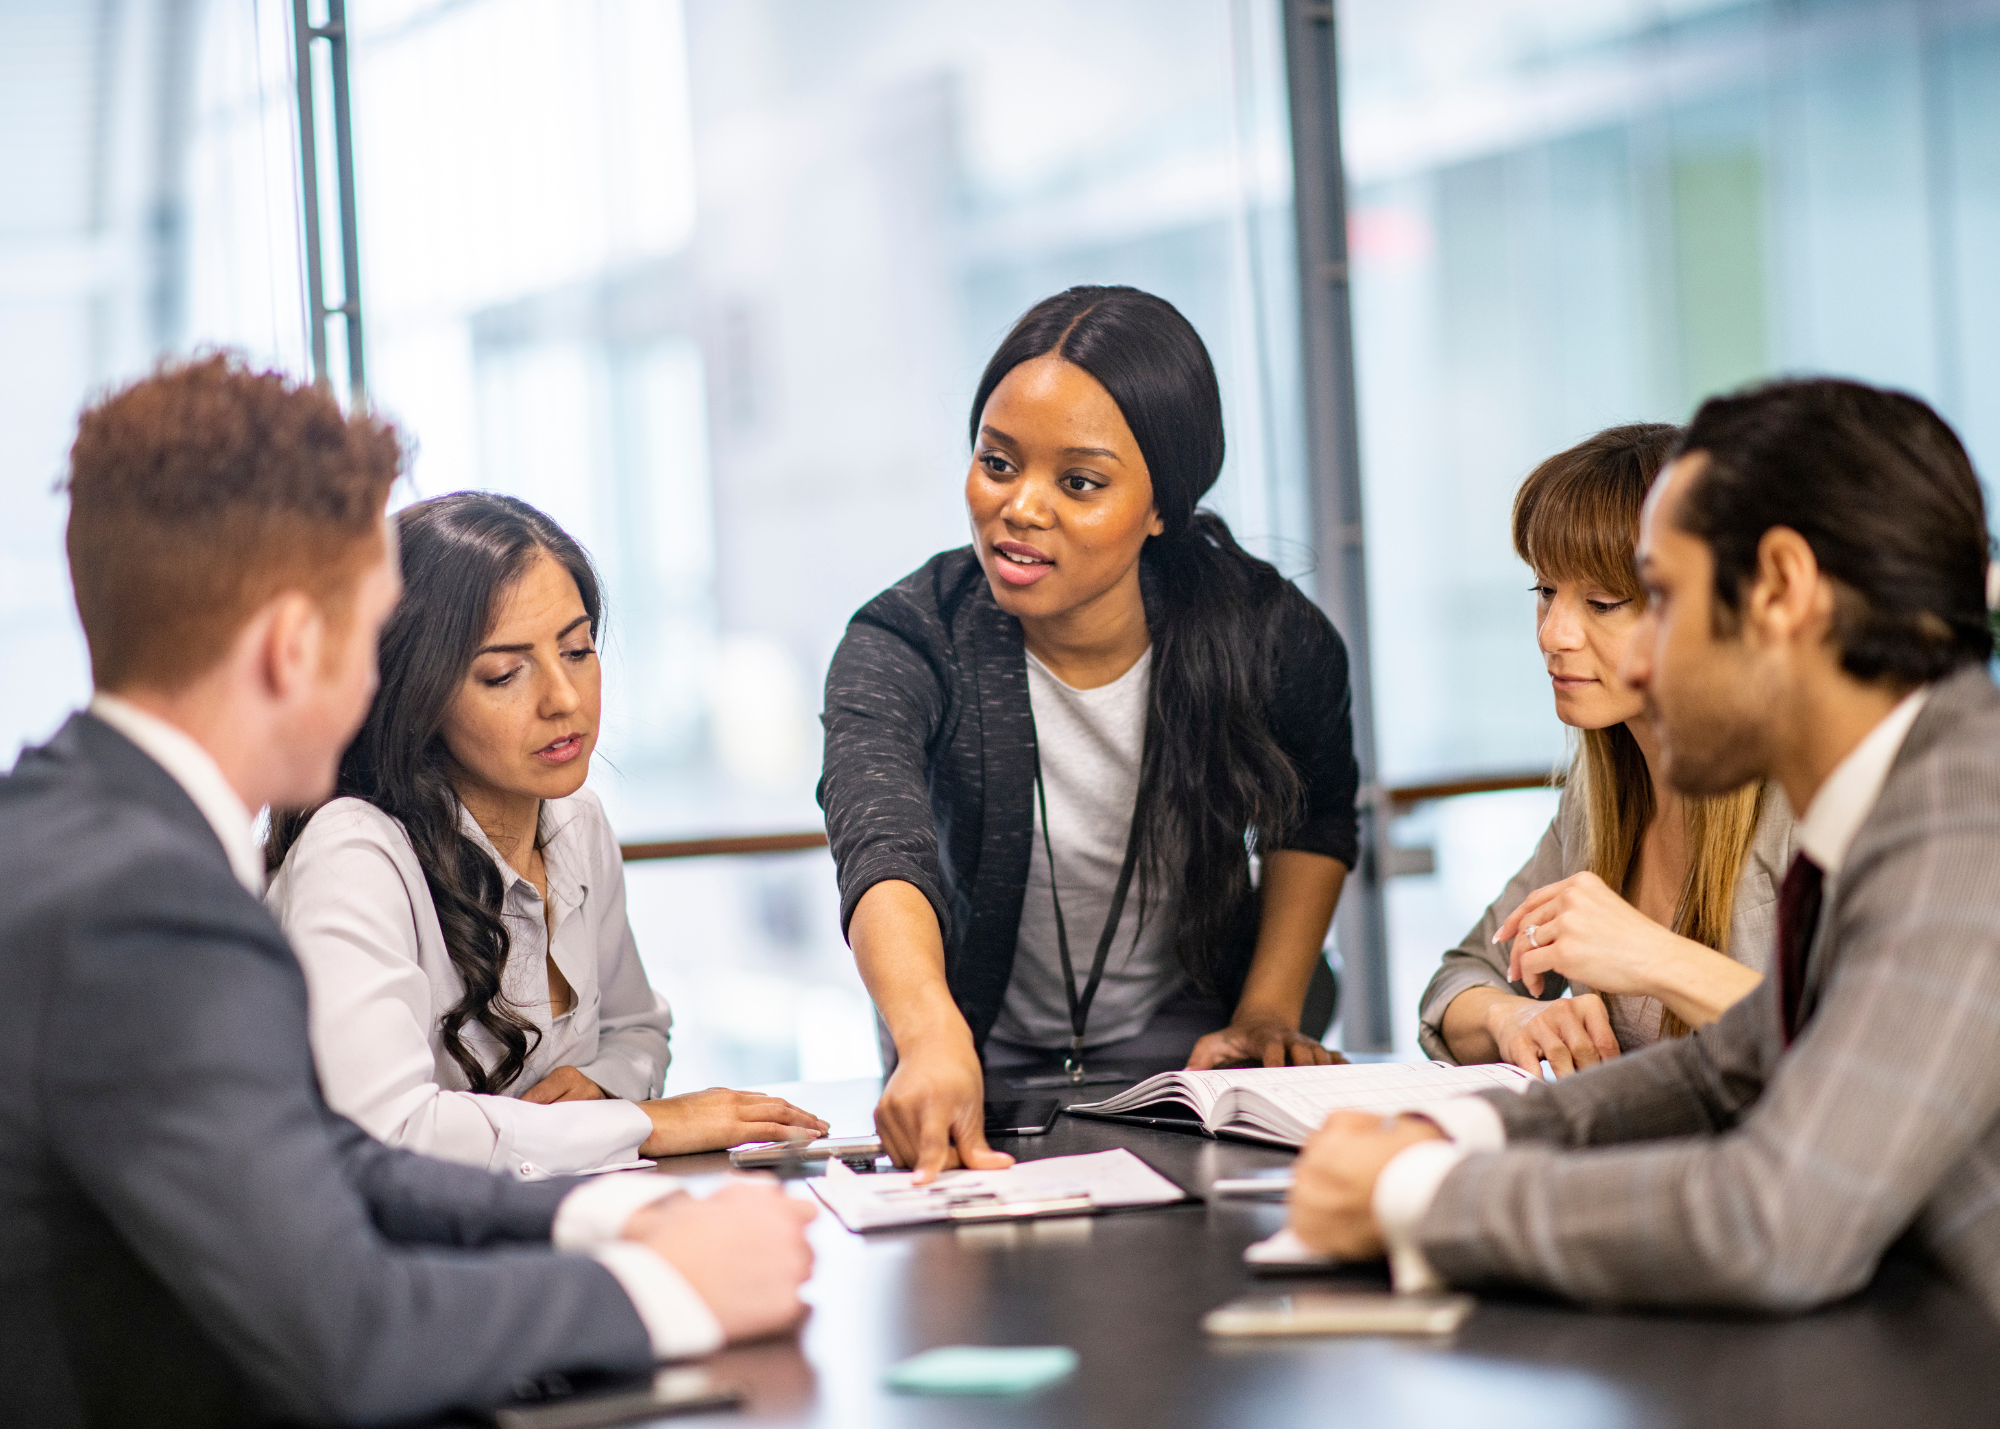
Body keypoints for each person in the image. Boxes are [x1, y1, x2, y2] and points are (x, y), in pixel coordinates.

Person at [0, 355, 815, 1426]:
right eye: (372, 629)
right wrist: (666, 1290)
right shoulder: (145, 905)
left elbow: (331, 1154)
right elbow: (350, 1334)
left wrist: (601, 1220)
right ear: (296, 646)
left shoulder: (77, 822)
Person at [1288, 377, 2000, 1319]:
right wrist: (1453, 1131)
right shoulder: (1897, 793)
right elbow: (1721, 1070)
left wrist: (1413, 1196)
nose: (1627, 660)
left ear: (1782, 589)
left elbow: (1775, 1221)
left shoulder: (1964, 824)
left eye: (1654, 597)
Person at [820, 285, 1362, 1180]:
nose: (1022, 508)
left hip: (1193, 1042)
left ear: (1162, 506)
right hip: (970, 1041)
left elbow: (1319, 815)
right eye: (999, 463)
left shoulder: (1268, 633)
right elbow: (882, 843)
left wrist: (1268, 1008)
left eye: (1079, 482)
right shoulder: (908, 639)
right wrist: (927, 1033)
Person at [265, 493, 826, 1176]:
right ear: (418, 692)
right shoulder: (354, 851)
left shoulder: (576, 820)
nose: (564, 697)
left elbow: (636, 1030)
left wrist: (602, 1091)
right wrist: (642, 1123)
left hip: (550, 1226)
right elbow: (387, 1129)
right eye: (504, 672)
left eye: (577, 648)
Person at [1418, 424, 1795, 1076]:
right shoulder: (1595, 799)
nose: (1553, 633)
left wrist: (1649, 954)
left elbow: (1867, 1049)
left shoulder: (1799, 795)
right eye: (1544, 591)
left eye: (1601, 601)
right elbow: (1460, 981)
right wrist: (1515, 1017)